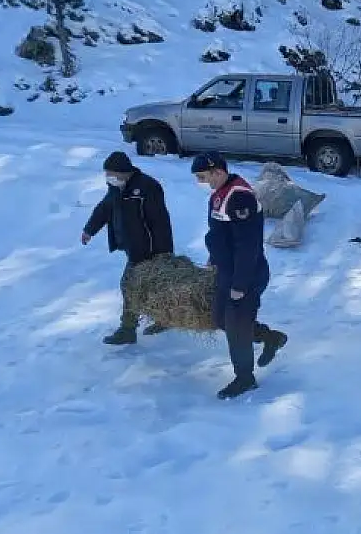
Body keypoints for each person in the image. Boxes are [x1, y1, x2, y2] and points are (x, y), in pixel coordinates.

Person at [192, 152, 288, 400]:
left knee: (236, 325)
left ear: (218, 171)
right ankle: (270, 337)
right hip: (227, 271)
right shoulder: (220, 194)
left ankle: (245, 378)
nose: (203, 183)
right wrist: (214, 258)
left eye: (204, 177)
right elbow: (220, 235)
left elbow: (248, 246)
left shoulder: (240, 197)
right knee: (221, 320)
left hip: (246, 274)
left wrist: (240, 284)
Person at [82, 151, 175, 345]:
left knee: (129, 285)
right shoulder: (116, 187)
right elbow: (105, 208)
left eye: (111, 174)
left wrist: (163, 254)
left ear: (124, 172)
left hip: (148, 250)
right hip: (131, 246)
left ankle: (128, 329)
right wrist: (89, 229)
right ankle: (165, 318)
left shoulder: (148, 187)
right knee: (152, 286)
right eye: (107, 174)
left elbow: (160, 222)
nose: (108, 178)